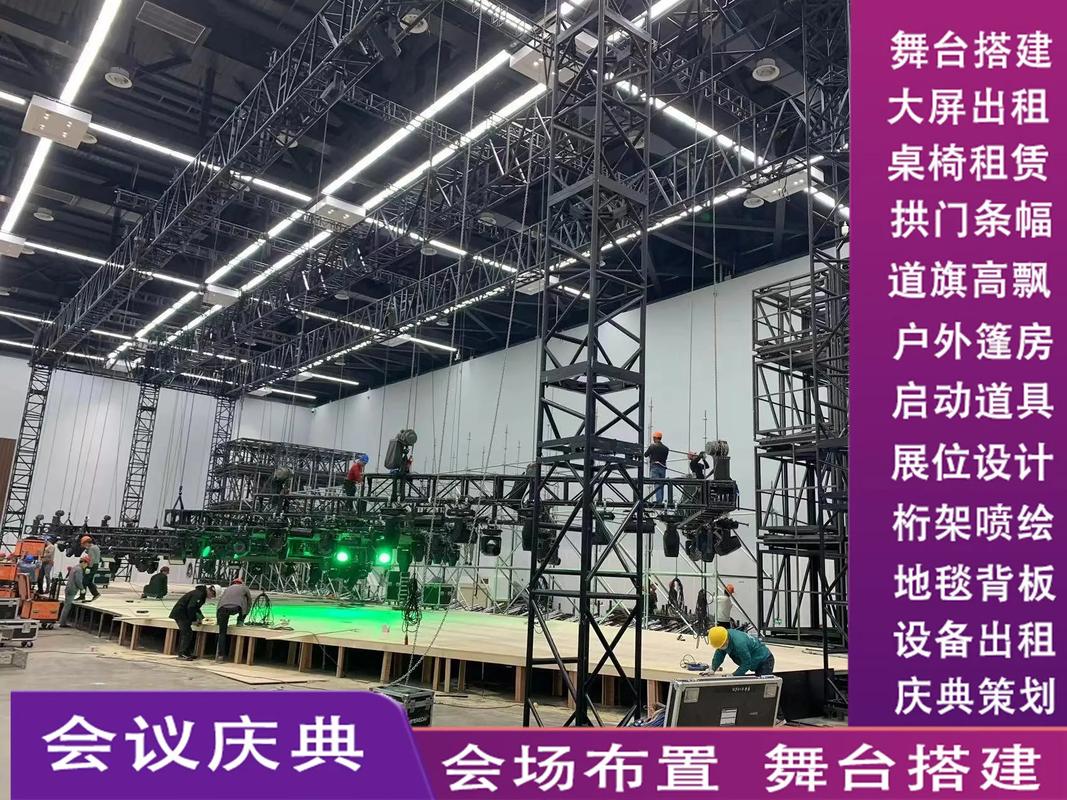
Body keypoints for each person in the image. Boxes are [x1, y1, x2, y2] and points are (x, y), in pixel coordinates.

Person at [169, 584, 216, 661]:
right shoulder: (199, 594)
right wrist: (194, 620)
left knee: (188, 633)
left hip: (183, 614)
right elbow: (191, 607)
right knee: (187, 633)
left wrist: (201, 617)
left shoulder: (201, 594)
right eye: (212, 596)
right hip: (180, 614)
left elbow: (196, 608)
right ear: (211, 591)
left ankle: (186, 652)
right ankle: (182, 653)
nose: (211, 598)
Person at [708, 625, 775, 676]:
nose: (721, 648)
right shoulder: (722, 637)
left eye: (722, 645)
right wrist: (713, 669)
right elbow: (719, 655)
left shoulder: (739, 644)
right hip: (755, 660)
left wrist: (734, 675)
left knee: (762, 685)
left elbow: (746, 663)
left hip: (764, 660)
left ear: (726, 640)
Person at [215, 578, 253, 662]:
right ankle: (239, 621)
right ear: (241, 583)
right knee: (245, 600)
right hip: (236, 607)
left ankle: (220, 656)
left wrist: (218, 621)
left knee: (222, 633)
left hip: (222, 609)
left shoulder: (227, 589)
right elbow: (249, 602)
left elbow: (219, 604)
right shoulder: (244, 587)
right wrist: (243, 616)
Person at [59, 557, 90, 627]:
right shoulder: (79, 570)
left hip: (68, 588)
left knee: (66, 605)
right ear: (83, 562)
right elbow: (78, 581)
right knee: (67, 606)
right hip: (72, 589)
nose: (86, 566)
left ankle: (62, 621)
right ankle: (62, 623)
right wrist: (82, 588)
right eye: (86, 564)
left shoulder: (75, 567)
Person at [644, 431, 670, 505]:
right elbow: (665, 458)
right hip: (663, 467)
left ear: (655, 438)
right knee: (661, 484)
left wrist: (651, 454)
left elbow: (645, 454)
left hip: (655, 467)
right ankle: (660, 500)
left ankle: (659, 501)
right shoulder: (666, 448)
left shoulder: (652, 446)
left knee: (657, 484)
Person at [79, 535, 102, 602]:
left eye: (83, 544)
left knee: (84, 582)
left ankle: (82, 596)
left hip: (91, 566)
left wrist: (89, 567)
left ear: (86, 542)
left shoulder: (91, 548)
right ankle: (95, 594)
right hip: (95, 566)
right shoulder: (96, 547)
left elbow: (92, 559)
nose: (83, 546)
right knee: (89, 581)